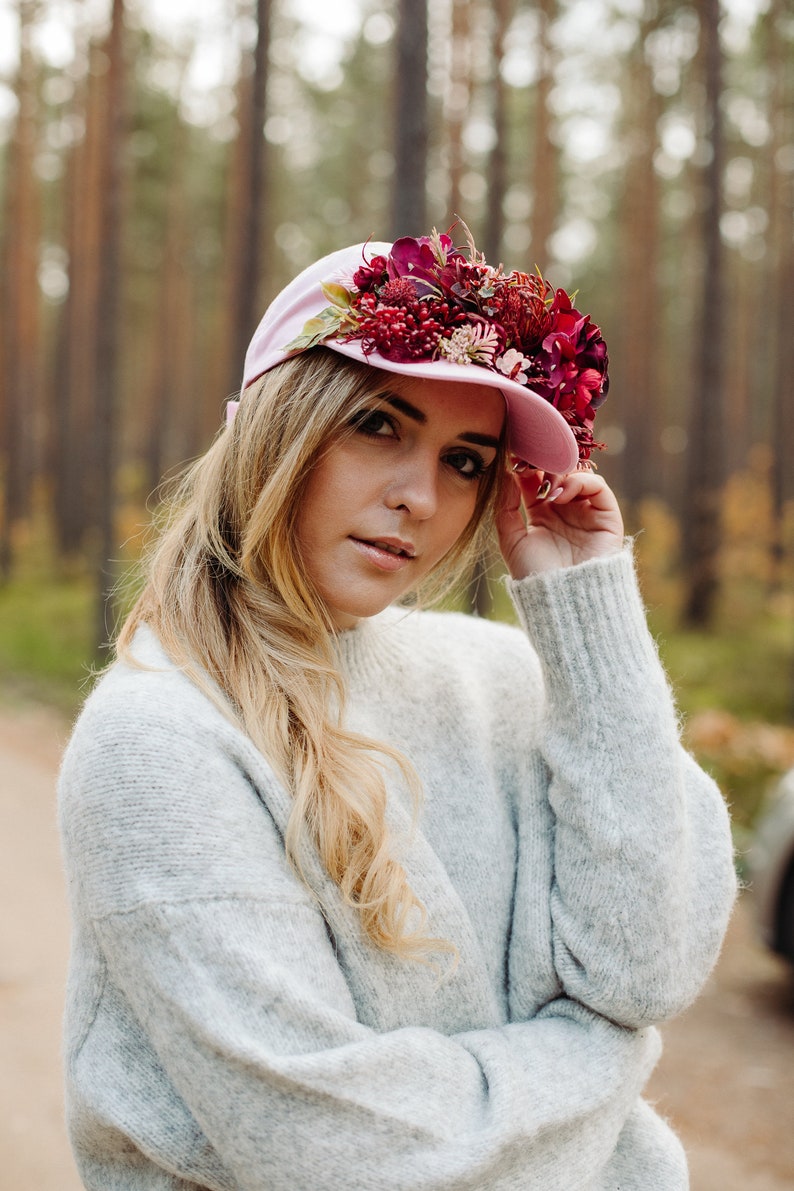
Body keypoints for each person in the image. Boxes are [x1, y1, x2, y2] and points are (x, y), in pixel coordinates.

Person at [58, 227, 736, 1190]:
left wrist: (588, 613)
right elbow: (350, 1153)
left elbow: (643, 971)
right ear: (282, 425)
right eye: (379, 424)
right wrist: (600, 1058)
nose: (420, 494)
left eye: (465, 460)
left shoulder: (501, 678)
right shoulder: (161, 739)